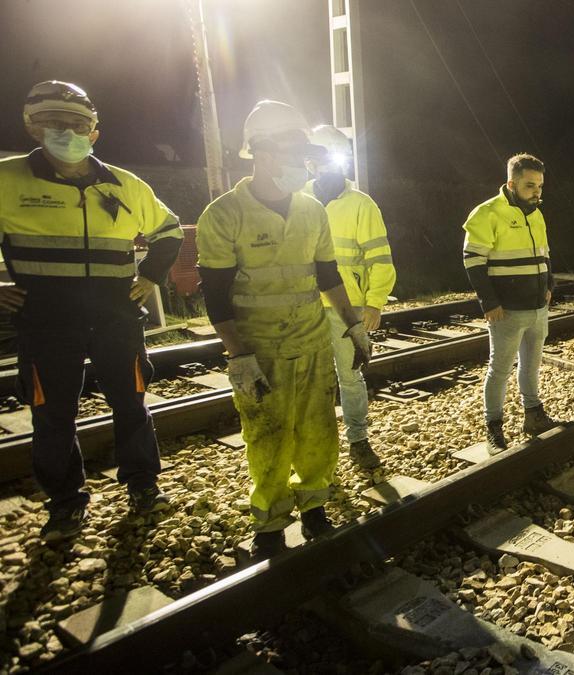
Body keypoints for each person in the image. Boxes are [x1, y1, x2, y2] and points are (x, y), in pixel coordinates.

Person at [0, 81, 183, 541]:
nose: (67, 132)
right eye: (54, 123)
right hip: (46, 322)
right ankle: (65, 504)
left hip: (116, 319)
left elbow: (169, 229)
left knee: (132, 403)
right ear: (32, 127)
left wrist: (151, 277)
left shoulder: (125, 184)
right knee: (52, 412)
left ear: (95, 131)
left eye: (78, 124)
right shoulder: (7, 181)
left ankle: (143, 484)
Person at [196, 100, 371, 558]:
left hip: (312, 340)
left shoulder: (311, 210)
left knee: (317, 429)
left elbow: (328, 274)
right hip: (260, 349)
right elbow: (214, 294)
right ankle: (271, 521)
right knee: (268, 434)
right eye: (294, 151)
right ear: (262, 152)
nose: (302, 161)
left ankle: (314, 502)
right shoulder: (224, 214)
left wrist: (354, 326)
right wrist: (238, 355)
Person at [303, 125, 395, 470]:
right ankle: (318, 443)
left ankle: (357, 439)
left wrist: (375, 302)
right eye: (316, 160)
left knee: (349, 376)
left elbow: (380, 258)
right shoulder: (299, 199)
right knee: (312, 379)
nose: (321, 167)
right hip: (306, 306)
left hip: (348, 307)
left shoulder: (361, 204)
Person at [462, 153, 561, 455]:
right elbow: (473, 261)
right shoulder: (486, 213)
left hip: (536, 307)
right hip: (506, 309)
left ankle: (533, 415)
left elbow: (544, 254)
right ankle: (494, 427)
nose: (537, 192)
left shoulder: (536, 213)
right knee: (500, 369)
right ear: (511, 183)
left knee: (531, 365)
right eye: (530, 186)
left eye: (540, 186)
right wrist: (489, 302)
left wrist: (549, 285)